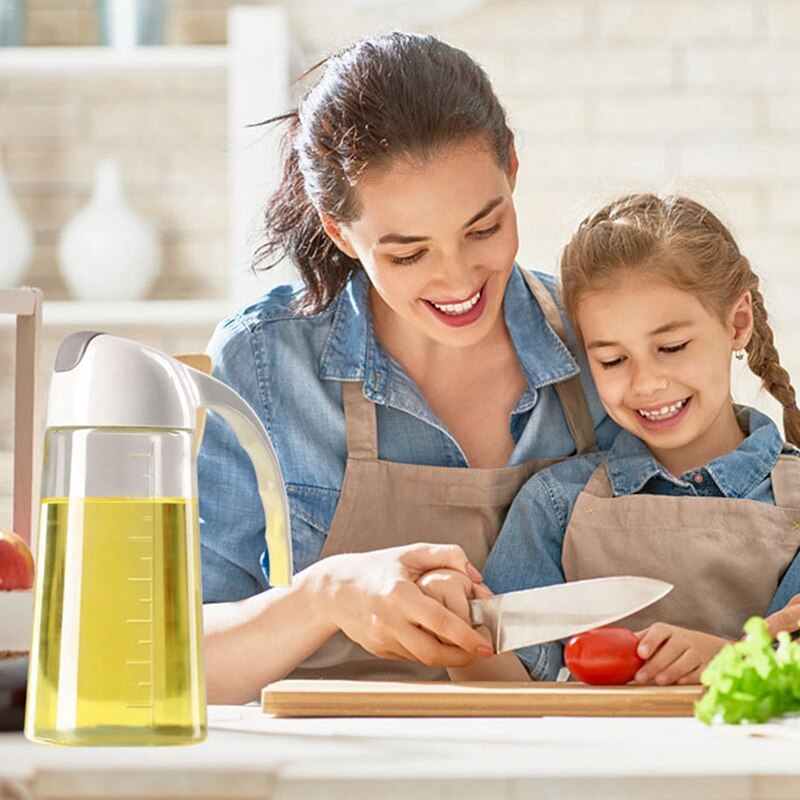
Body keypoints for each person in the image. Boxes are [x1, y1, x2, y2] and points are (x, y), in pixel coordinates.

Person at [198, 32, 618, 703]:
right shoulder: (265, 363)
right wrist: (325, 596)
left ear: (512, 169)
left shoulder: (605, 339)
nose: (458, 279)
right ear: (341, 232)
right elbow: (171, 658)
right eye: (407, 253)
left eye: (484, 229)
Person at [421, 193, 800, 685]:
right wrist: (455, 631)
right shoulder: (556, 505)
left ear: (738, 323)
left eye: (671, 347)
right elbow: (506, 691)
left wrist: (728, 660)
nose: (645, 383)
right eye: (613, 360)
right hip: (590, 764)